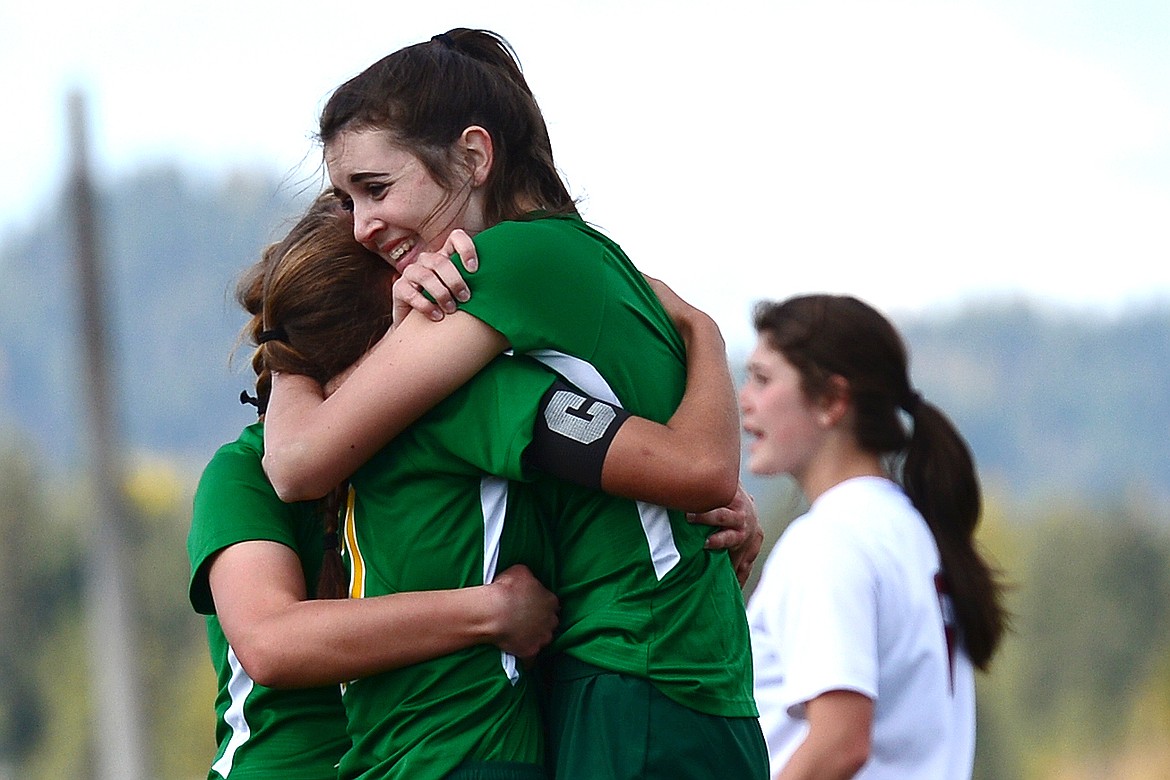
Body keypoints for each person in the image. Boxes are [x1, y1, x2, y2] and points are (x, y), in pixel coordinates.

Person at [261, 28, 768, 780]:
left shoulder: (502, 264)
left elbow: (299, 461)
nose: (362, 226)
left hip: (636, 679)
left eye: (376, 188)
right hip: (683, 679)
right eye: (345, 199)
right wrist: (704, 339)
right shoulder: (583, 258)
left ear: (473, 156)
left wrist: (287, 352)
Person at [187, 195, 560, 779]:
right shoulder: (243, 473)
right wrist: (489, 612)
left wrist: (708, 511)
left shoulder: (435, 445)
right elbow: (272, 641)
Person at [740, 294, 1008, 779]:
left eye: (762, 379)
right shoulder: (908, 529)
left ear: (831, 401)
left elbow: (840, 743)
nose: (744, 399)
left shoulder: (830, 542)